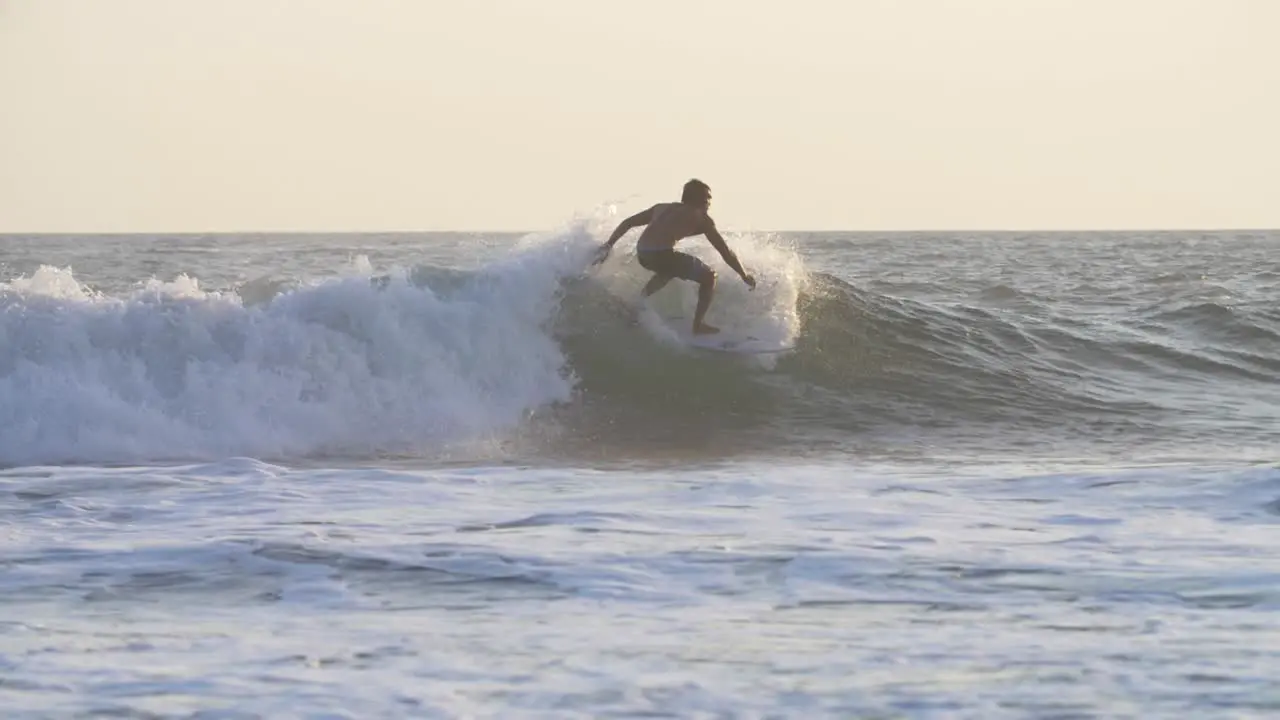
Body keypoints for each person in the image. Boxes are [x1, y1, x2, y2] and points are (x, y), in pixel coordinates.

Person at [593, 179, 756, 335]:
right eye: (707, 199)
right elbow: (724, 251)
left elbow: (628, 222)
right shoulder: (701, 217)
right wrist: (744, 274)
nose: (709, 204)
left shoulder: (661, 208)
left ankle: (637, 303)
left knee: (669, 271)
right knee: (709, 277)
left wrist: (609, 245)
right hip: (661, 254)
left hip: (643, 252)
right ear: (697, 200)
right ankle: (698, 326)